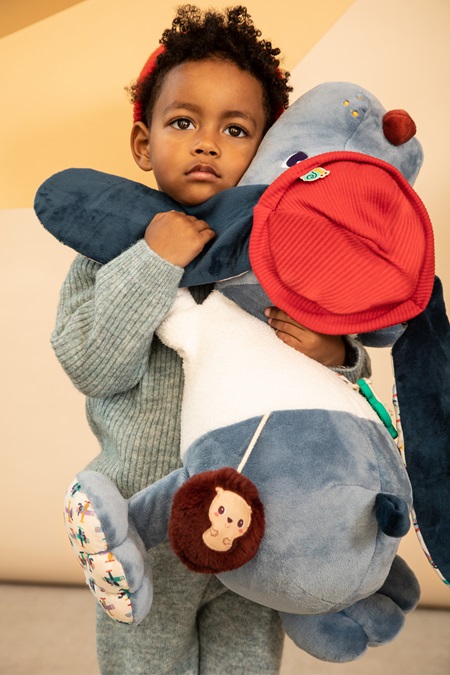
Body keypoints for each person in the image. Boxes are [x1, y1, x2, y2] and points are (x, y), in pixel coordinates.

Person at [51, 6, 370, 674]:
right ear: (143, 144)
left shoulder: (277, 253)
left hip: (253, 518)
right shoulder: (107, 248)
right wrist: (152, 261)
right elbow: (93, 366)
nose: (206, 144)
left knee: (246, 663)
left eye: (235, 129)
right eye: (183, 122)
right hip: (145, 530)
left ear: (265, 150)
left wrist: (336, 353)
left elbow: (325, 394)